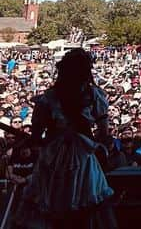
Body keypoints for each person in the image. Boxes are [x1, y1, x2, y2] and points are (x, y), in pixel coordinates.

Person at [14, 48, 117, 229]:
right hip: (83, 156)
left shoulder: (48, 98)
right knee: (87, 201)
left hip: (53, 156)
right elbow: (103, 132)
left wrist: (34, 141)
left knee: (50, 201)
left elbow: (37, 134)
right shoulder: (94, 95)